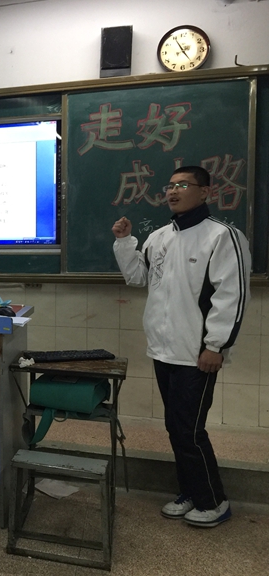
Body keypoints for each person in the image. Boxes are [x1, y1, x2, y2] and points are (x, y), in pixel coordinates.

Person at [112, 165, 250, 528]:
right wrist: (125, 242)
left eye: (183, 185)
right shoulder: (159, 237)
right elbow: (138, 278)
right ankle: (190, 492)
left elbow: (232, 295)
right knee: (176, 427)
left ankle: (214, 501)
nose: (173, 191)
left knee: (190, 430)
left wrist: (216, 345)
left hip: (197, 353)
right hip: (164, 349)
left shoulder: (222, 236)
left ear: (205, 192)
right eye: (170, 186)